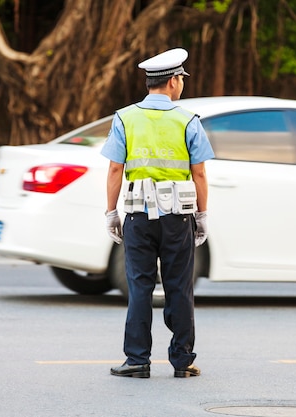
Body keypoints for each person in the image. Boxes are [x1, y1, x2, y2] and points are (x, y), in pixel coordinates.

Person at [101, 48, 214, 379]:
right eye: (181, 79)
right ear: (174, 82)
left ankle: (137, 360)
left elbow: (114, 170)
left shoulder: (125, 118)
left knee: (140, 286)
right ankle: (182, 361)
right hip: (178, 218)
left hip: (137, 217)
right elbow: (200, 175)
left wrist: (111, 213)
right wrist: (202, 216)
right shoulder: (187, 120)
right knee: (179, 286)